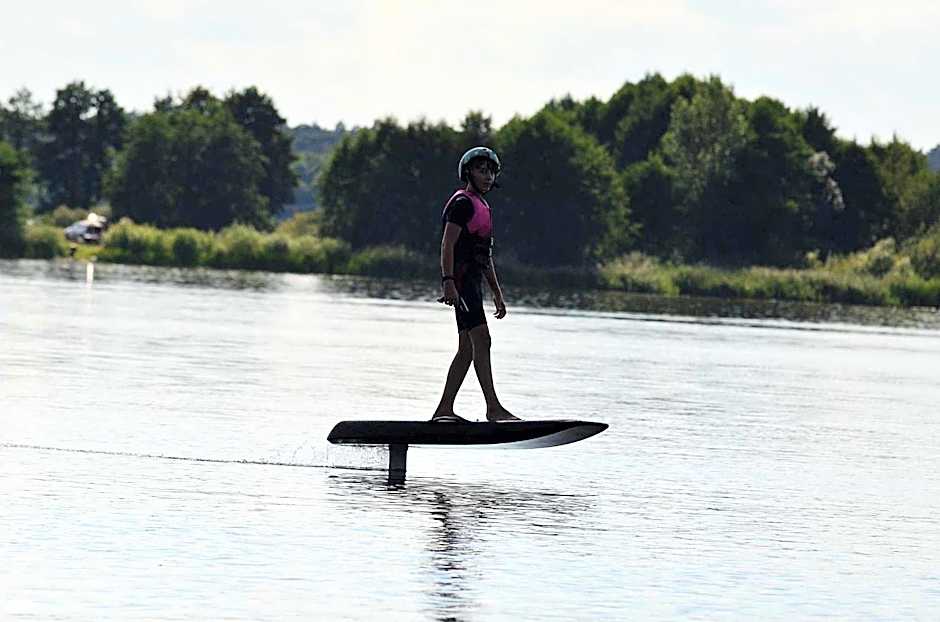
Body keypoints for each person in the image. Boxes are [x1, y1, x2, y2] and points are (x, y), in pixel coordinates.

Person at [431, 147, 520, 423]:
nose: (488, 176)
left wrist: (497, 292)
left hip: (472, 285)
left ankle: (443, 410)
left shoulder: (483, 207)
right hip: (460, 284)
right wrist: (448, 282)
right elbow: (447, 244)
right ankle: (493, 408)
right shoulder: (463, 203)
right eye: (482, 170)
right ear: (468, 172)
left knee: (468, 348)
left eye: (492, 171)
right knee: (482, 339)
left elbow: (484, 256)